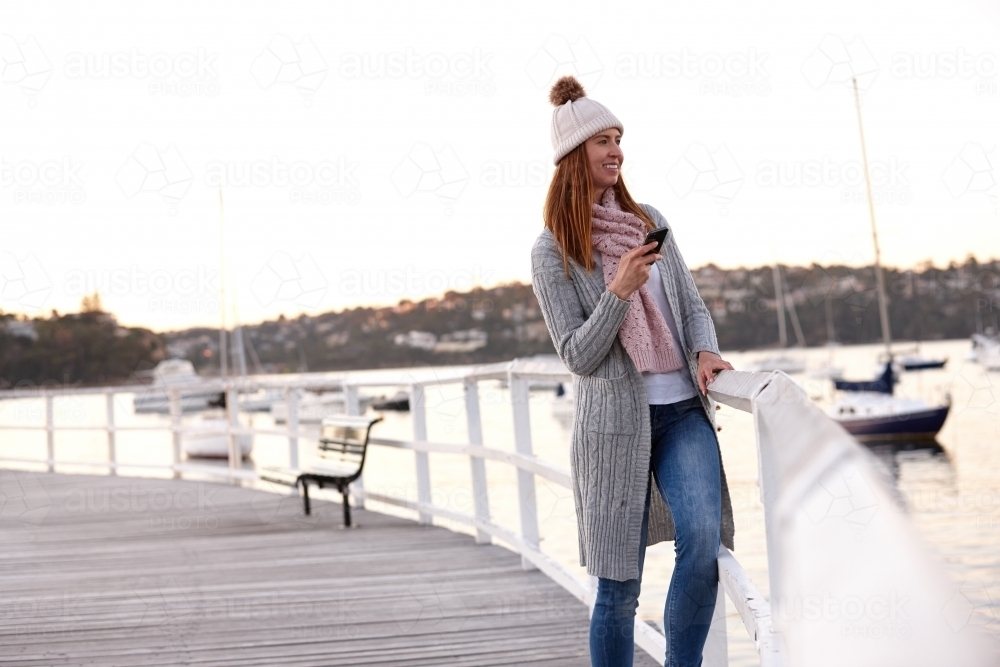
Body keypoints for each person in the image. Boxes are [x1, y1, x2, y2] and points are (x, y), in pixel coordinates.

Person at [530, 76, 737, 667]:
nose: (616, 150)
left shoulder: (650, 218)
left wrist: (704, 350)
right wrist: (618, 291)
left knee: (702, 540)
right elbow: (577, 355)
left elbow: (692, 305)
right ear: (574, 156)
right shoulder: (552, 251)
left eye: (619, 138)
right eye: (603, 140)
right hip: (613, 431)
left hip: (681, 415)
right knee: (619, 588)